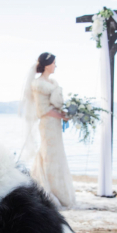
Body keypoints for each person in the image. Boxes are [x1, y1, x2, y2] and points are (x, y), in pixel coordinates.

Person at [19, 52, 75, 208]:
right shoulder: (37, 84)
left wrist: (64, 114)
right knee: (49, 154)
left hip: (55, 123)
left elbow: (55, 104)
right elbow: (42, 109)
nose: (56, 66)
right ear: (47, 64)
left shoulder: (53, 81)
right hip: (48, 124)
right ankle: (49, 188)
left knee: (57, 154)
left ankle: (59, 188)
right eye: (54, 63)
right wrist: (60, 115)